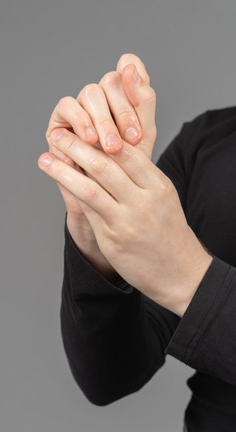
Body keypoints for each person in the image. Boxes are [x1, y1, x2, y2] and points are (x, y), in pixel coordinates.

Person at [38, 53, 236, 431]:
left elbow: (185, 281)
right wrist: (95, 221)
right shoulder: (207, 141)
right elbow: (110, 379)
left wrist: (191, 281)